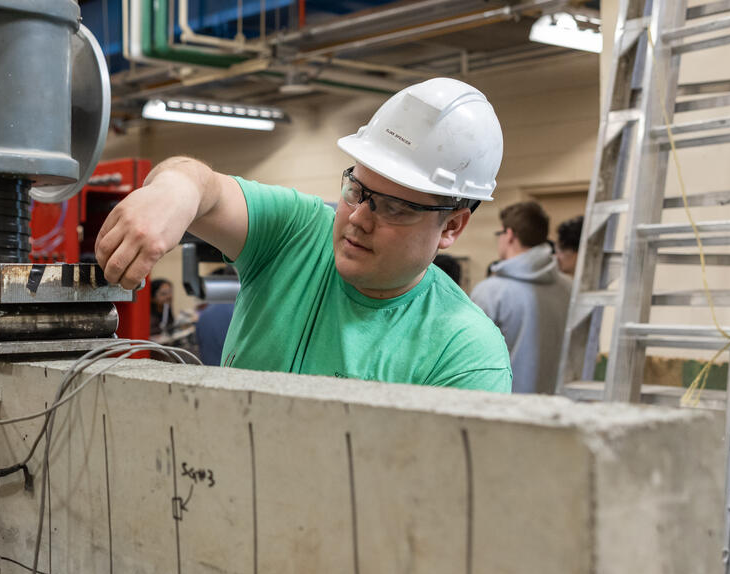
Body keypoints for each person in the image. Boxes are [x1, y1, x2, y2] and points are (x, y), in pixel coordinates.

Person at [95, 78, 511, 391]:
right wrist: (175, 190)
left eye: (395, 207)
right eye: (356, 190)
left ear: (452, 226)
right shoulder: (295, 233)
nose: (358, 219)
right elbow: (203, 185)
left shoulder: (465, 352)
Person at [470, 202, 571, 394]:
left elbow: (472, 364)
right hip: (559, 409)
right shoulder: (569, 287)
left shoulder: (490, 292)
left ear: (509, 235)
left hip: (506, 410)